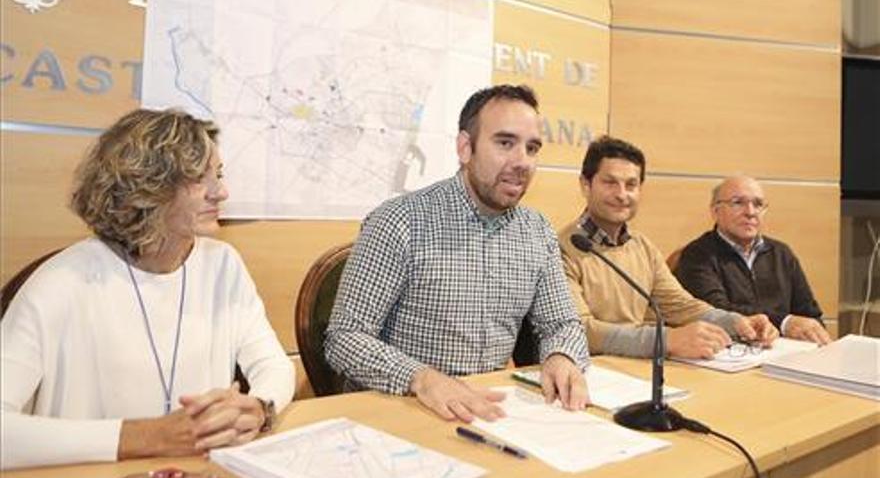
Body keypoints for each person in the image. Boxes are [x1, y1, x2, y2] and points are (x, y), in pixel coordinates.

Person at [0, 109, 294, 469]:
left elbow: (273, 364)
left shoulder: (223, 264)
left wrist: (260, 407)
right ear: (145, 188)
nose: (222, 192)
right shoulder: (58, 284)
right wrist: (147, 436)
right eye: (198, 179)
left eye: (218, 174)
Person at [325, 84, 590, 423]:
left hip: (488, 414)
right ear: (465, 148)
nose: (522, 162)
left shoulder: (537, 231)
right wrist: (421, 379)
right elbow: (344, 339)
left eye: (532, 147)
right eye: (505, 143)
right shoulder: (398, 221)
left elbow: (562, 323)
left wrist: (561, 356)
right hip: (402, 411)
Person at [559, 136, 779, 359]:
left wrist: (736, 322)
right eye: (610, 183)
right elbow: (581, 330)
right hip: (586, 374)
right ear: (585, 185)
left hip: (635, 369)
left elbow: (680, 305)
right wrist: (665, 340)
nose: (622, 194)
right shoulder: (562, 248)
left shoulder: (642, 246)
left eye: (631, 185)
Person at [674, 176, 831, 345]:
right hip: (728, 355)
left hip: (783, 354)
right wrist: (784, 323)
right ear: (715, 211)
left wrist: (813, 332)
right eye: (738, 203)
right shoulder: (697, 255)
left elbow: (810, 315)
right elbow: (716, 311)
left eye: (758, 204)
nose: (750, 212)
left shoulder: (782, 253)